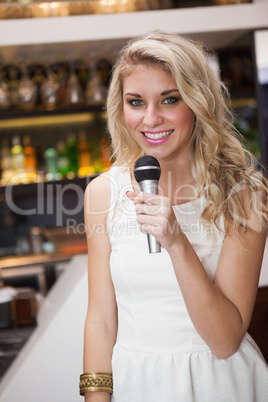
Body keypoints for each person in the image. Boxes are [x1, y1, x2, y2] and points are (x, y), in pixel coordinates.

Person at [80, 30, 268, 402]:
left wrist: (177, 242)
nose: (151, 119)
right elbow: (101, 321)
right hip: (138, 383)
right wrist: (95, 398)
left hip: (222, 383)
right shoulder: (103, 193)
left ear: (197, 101)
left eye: (169, 99)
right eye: (136, 102)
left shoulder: (246, 195)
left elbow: (226, 340)